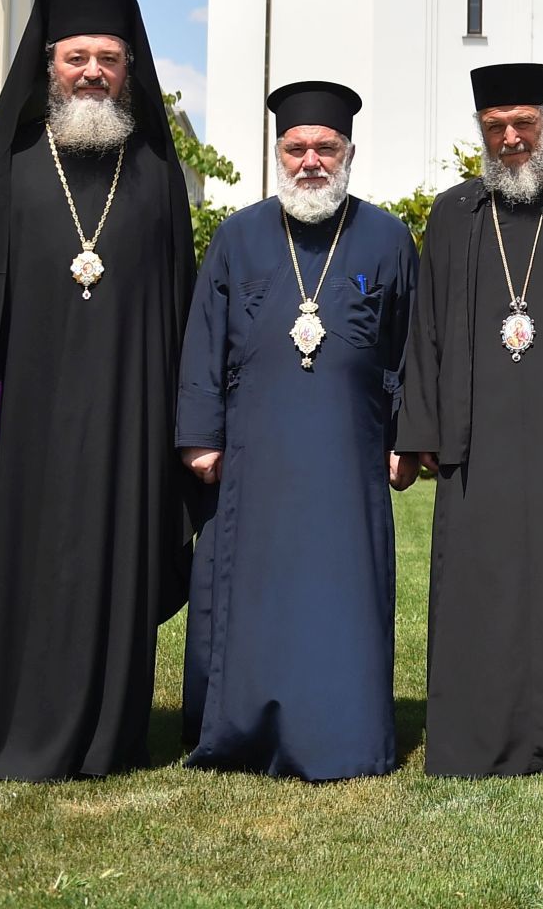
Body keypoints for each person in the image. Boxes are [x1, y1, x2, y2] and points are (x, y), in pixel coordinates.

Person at [0, 0, 195, 780]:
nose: (92, 72)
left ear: (130, 70)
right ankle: (0, 729)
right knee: (12, 577)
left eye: (108, 59)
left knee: (112, 574)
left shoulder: (160, 182)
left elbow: (179, 314)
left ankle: (107, 737)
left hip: (126, 437)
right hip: (18, 439)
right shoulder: (6, 178)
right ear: (48, 66)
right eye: (76, 58)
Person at [176, 80, 419, 780]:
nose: (311, 160)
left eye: (326, 147)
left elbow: (411, 349)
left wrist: (406, 439)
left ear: (349, 152)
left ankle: (344, 735)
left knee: (341, 593)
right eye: (297, 148)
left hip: (350, 457)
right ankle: (243, 730)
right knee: (254, 591)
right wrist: (201, 435)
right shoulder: (238, 235)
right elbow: (204, 342)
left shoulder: (388, 237)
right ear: (278, 152)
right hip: (254, 455)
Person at [396, 61, 543, 777]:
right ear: (482, 134)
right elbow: (425, 331)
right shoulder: (453, 212)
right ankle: (471, 742)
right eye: (496, 128)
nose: (511, 139)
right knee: (477, 589)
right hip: (478, 438)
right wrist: (421, 434)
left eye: (524, 124)